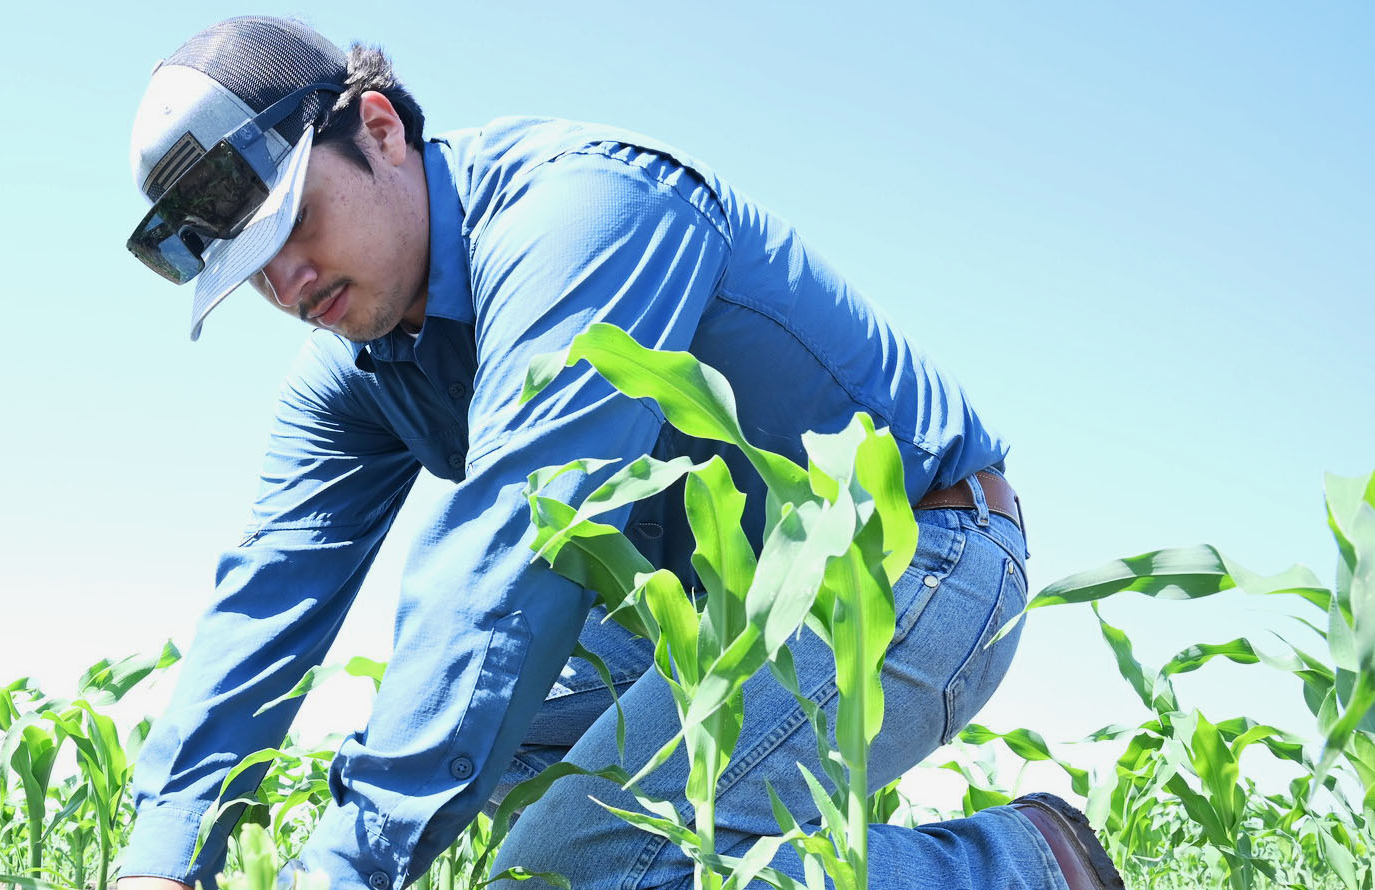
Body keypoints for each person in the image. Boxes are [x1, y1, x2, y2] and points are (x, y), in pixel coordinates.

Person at [114, 15, 1123, 890]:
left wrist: (340, 869)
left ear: (377, 128)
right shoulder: (354, 363)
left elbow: (507, 559)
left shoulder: (581, 214)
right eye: (250, 270)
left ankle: (1020, 864)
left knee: (574, 863)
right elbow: (267, 598)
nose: (287, 282)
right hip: (697, 623)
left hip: (914, 558)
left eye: (294, 221)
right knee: (492, 782)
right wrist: (161, 856)